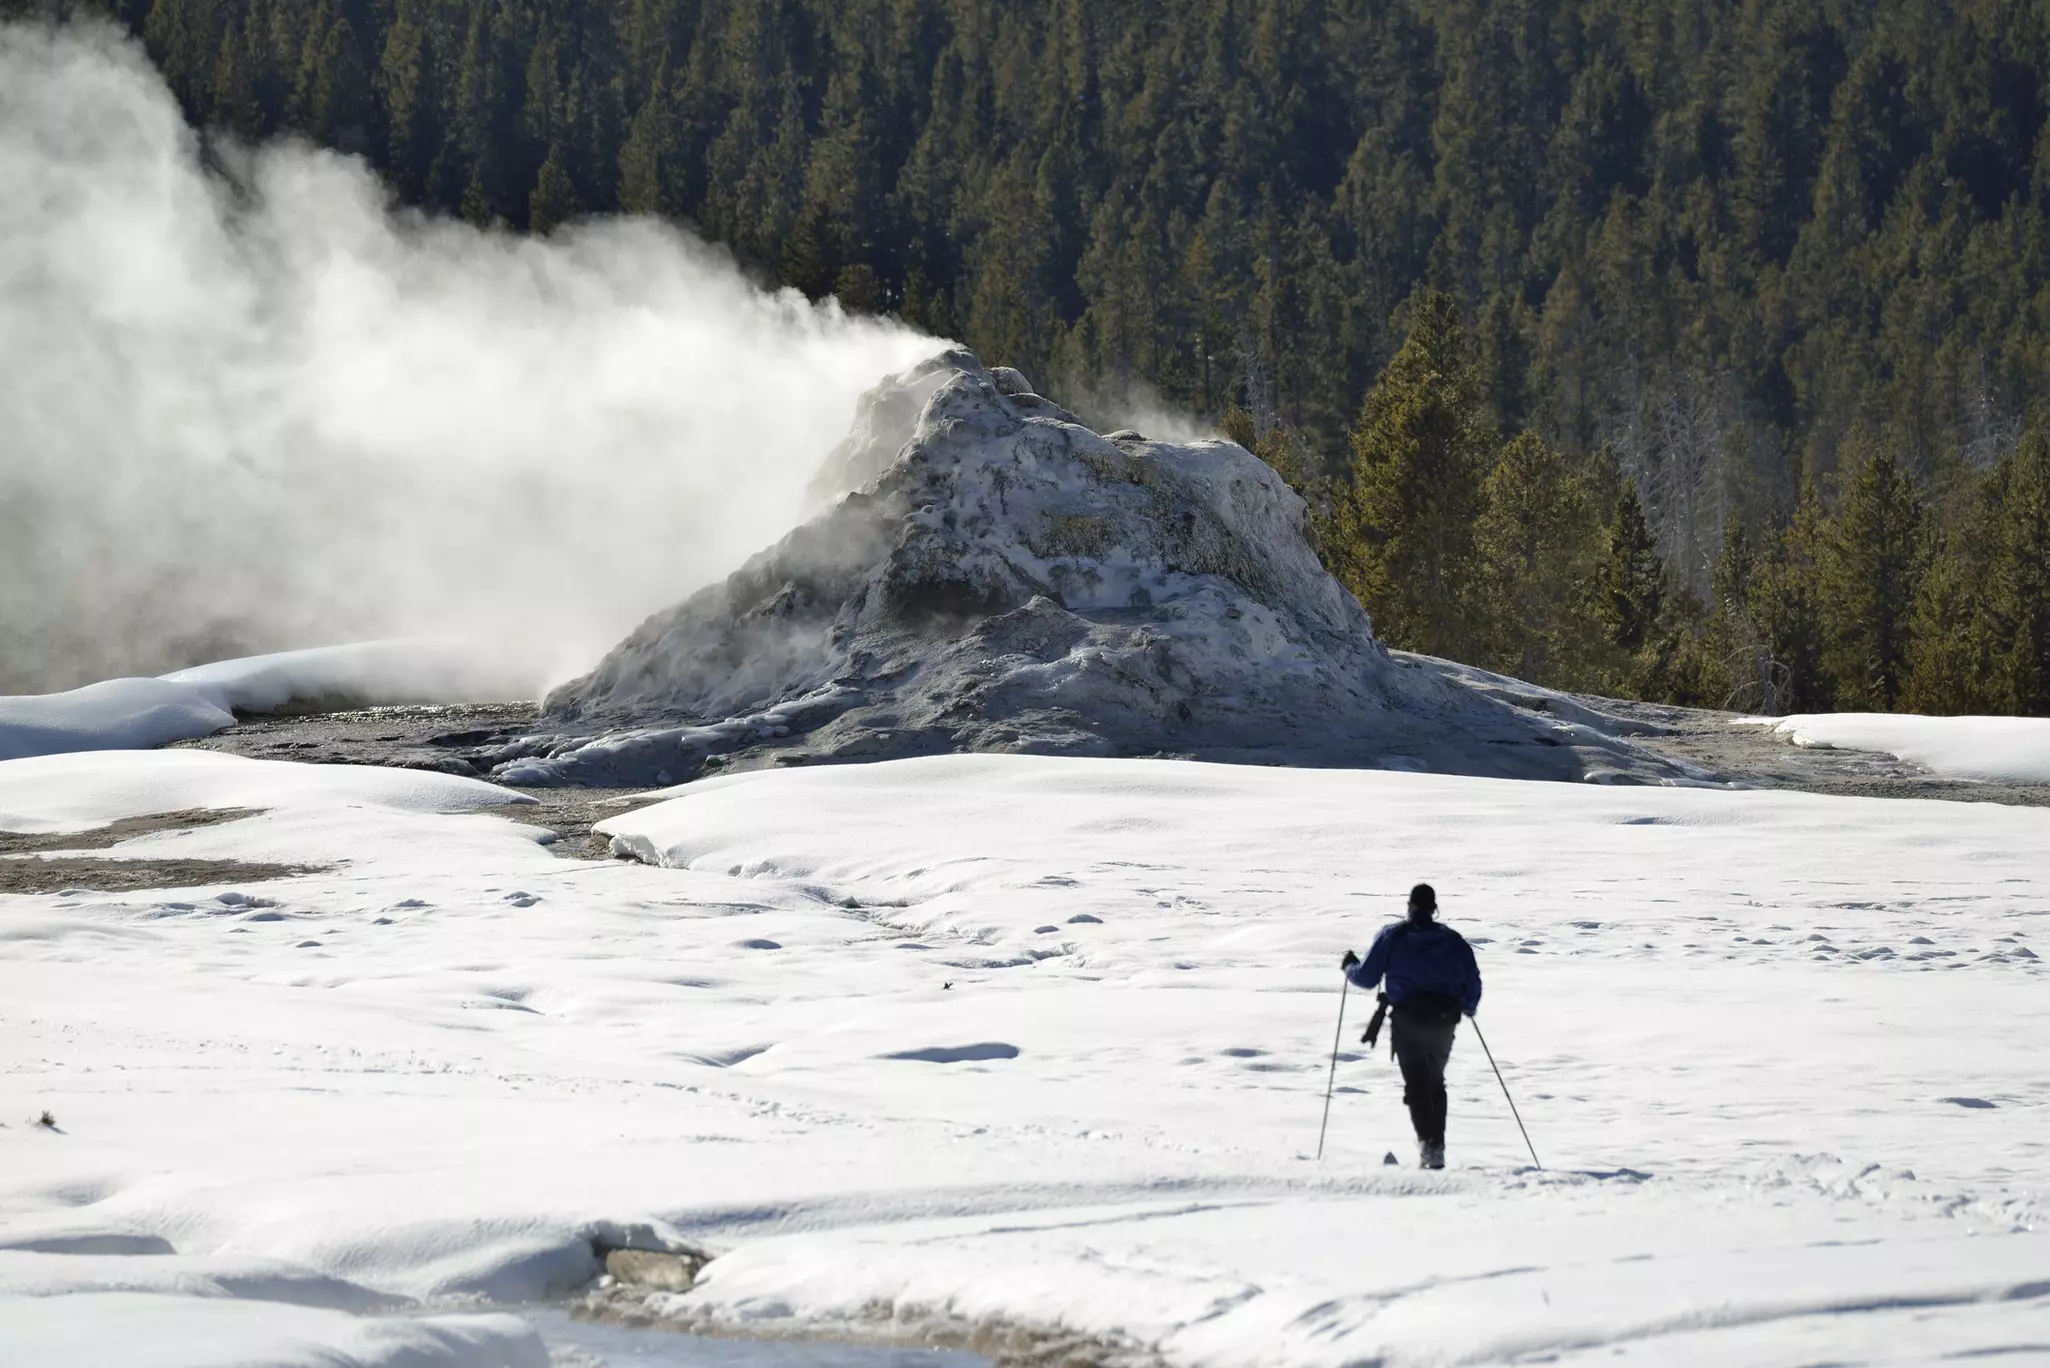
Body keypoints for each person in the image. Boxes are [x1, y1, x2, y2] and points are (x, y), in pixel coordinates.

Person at [1340, 882, 1482, 1170]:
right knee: (1435, 1082)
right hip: (1445, 1021)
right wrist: (1467, 1006)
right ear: (1434, 908)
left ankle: (1430, 1149)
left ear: (1410, 906)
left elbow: (1366, 978)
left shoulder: (1393, 935)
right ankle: (1435, 1148)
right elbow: (1473, 980)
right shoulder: (1454, 941)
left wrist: (1349, 967)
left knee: (1417, 1084)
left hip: (1408, 1020)